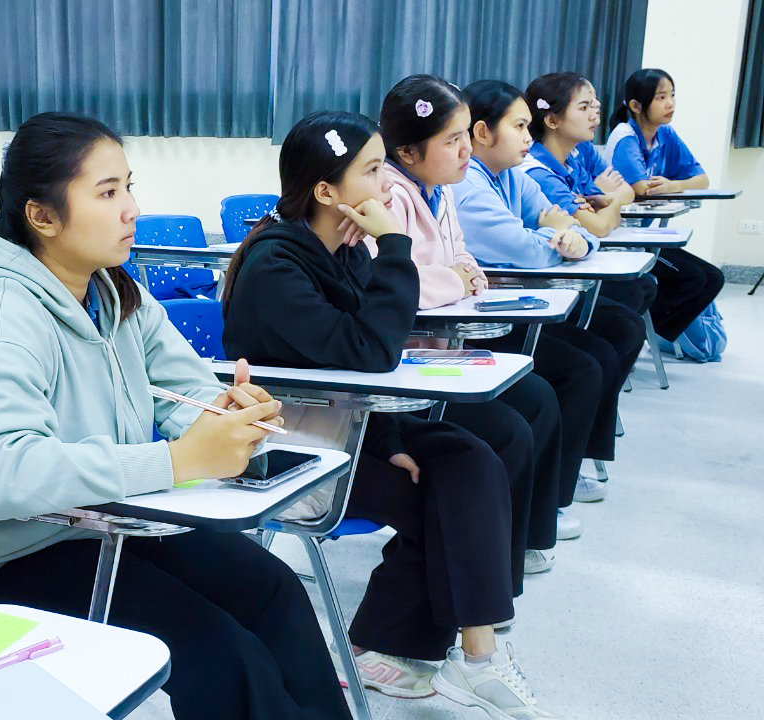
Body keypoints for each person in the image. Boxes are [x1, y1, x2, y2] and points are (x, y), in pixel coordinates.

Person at [0, 111, 351, 720]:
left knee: (274, 590)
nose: (132, 209)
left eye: (128, 188)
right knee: (220, 653)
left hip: (104, 519)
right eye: (107, 193)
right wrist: (178, 459)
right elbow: (1, 472)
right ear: (42, 216)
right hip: (6, 561)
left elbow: (181, 389)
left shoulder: (113, 292)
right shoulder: (1, 323)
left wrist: (226, 415)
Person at [220, 110, 565, 720]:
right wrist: (396, 246)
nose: (386, 186)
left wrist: (395, 438)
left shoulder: (346, 252)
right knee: (444, 498)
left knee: (470, 458)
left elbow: (368, 362)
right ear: (325, 191)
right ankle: (394, 647)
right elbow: (371, 354)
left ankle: (472, 656)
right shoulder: (276, 267)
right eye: (373, 170)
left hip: (351, 427)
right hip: (288, 452)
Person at [344, 74, 582, 562]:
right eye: (452, 140)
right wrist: (454, 280)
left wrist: (461, 273)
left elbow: (460, 258)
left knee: (537, 396)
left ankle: (523, 539)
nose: (466, 150)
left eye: (465, 136)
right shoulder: (388, 196)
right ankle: (490, 557)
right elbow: (394, 282)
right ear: (407, 152)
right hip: (401, 371)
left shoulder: (441, 189)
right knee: (510, 429)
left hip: (441, 353)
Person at [455, 79, 649, 506]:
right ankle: (554, 492)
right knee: (582, 367)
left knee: (615, 333)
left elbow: (577, 228)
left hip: (510, 305)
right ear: (482, 132)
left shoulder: (513, 175)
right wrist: (558, 235)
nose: (529, 137)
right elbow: (527, 249)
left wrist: (569, 235)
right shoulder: (467, 187)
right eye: (519, 127)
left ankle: (566, 473)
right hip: (479, 321)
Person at [520, 71, 657, 318]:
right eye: (583, 108)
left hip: (577, 259)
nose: (595, 115)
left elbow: (625, 192)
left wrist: (607, 203)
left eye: (593, 106)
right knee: (635, 294)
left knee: (645, 285)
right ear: (552, 120)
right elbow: (599, 226)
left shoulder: (574, 154)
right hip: (549, 274)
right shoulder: (538, 172)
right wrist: (609, 202)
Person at [604, 68, 725, 341]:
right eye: (661, 97)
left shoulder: (665, 134)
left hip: (644, 236)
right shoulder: (625, 136)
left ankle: (654, 330)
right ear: (636, 105)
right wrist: (674, 184)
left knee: (713, 278)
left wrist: (672, 186)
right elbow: (642, 189)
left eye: (672, 95)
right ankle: (645, 330)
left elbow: (702, 180)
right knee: (693, 278)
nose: (670, 103)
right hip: (621, 239)